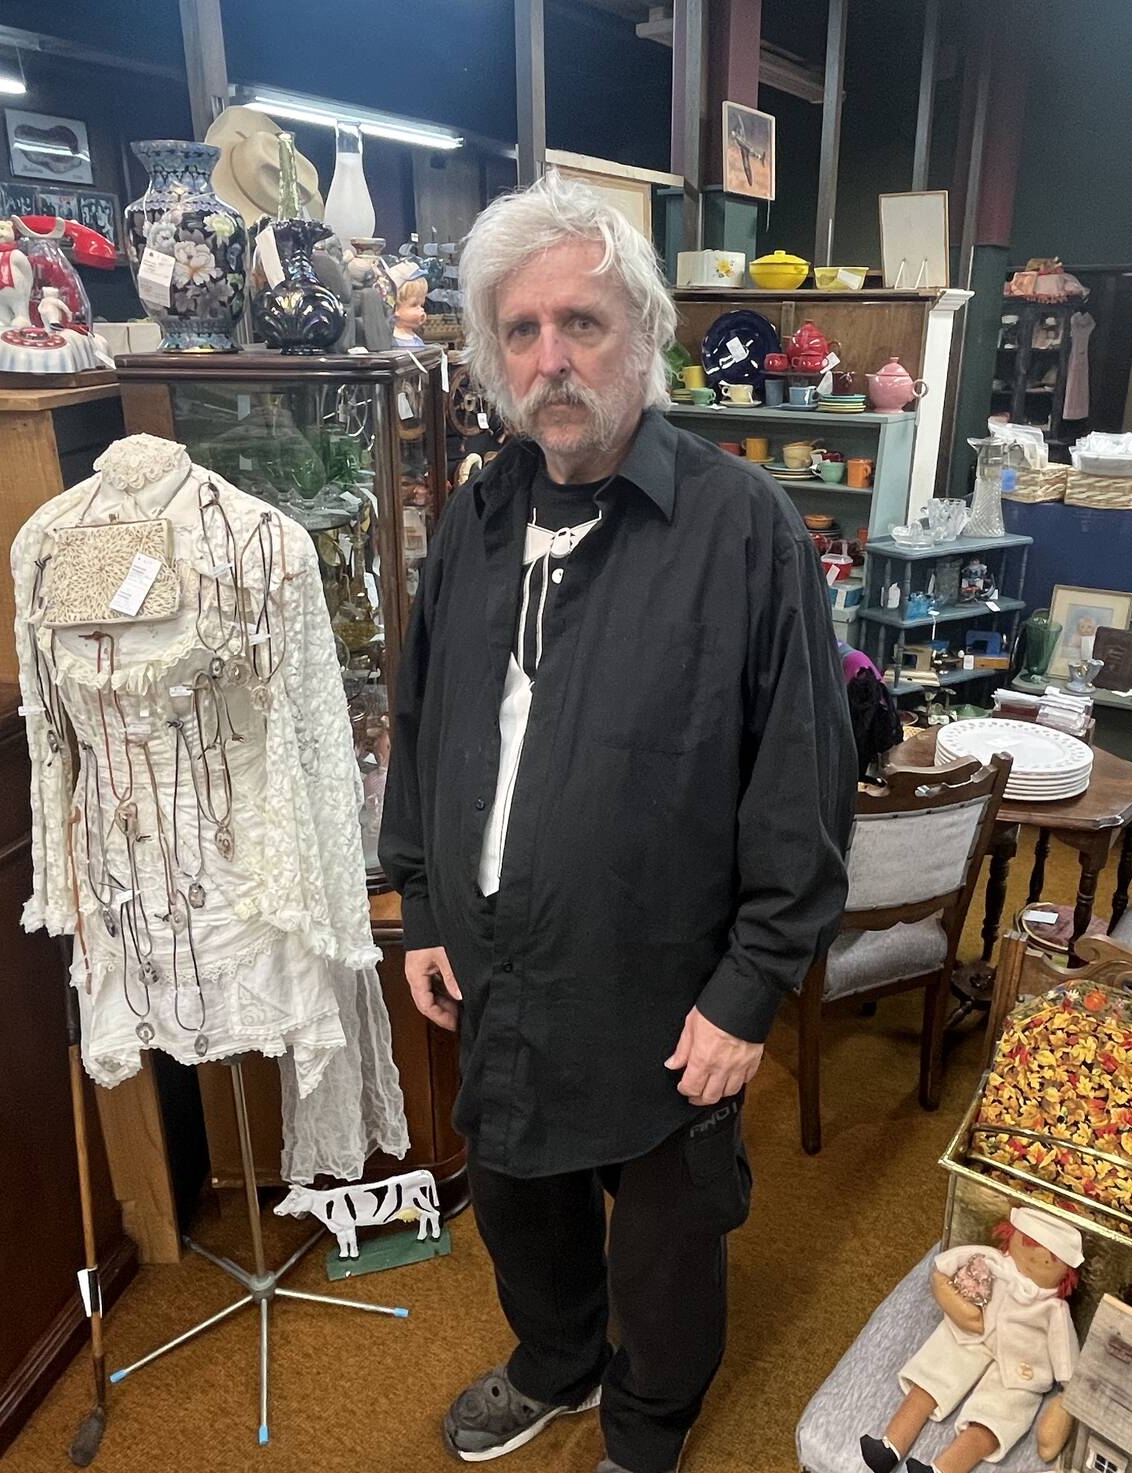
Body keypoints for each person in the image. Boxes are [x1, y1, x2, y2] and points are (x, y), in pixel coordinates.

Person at [379, 175, 854, 1473]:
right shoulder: (475, 522)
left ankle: (646, 1423)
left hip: (664, 992)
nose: (552, 360)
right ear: (491, 357)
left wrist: (752, 987)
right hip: (499, 966)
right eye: (521, 332)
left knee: (664, 1239)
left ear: (642, 335)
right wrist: (422, 901)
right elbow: (422, 723)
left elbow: (804, 780)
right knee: (520, 1198)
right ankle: (555, 1360)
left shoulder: (741, 530)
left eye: (581, 325)